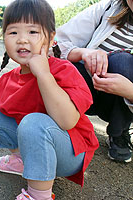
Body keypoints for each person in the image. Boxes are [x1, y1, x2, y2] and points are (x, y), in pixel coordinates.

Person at [0, 0, 99, 199]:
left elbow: (66, 121)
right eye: (13, 32)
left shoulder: (63, 70)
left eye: (32, 32)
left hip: (70, 154)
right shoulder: (7, 79)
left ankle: (39, 195)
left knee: (33, 122)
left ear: (50, 39)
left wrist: (43, 74)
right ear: (4, 39)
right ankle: (24, 162)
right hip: (38, 146)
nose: (22, 40)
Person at [56, 0, 133, 163]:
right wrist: (83, 53)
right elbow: (55, 44)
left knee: (123, 61)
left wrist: (130, 91)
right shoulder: (108, 8)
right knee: (64, 70)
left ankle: (119, 132)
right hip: (86, 88)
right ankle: (63, 124)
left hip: (119, 103)